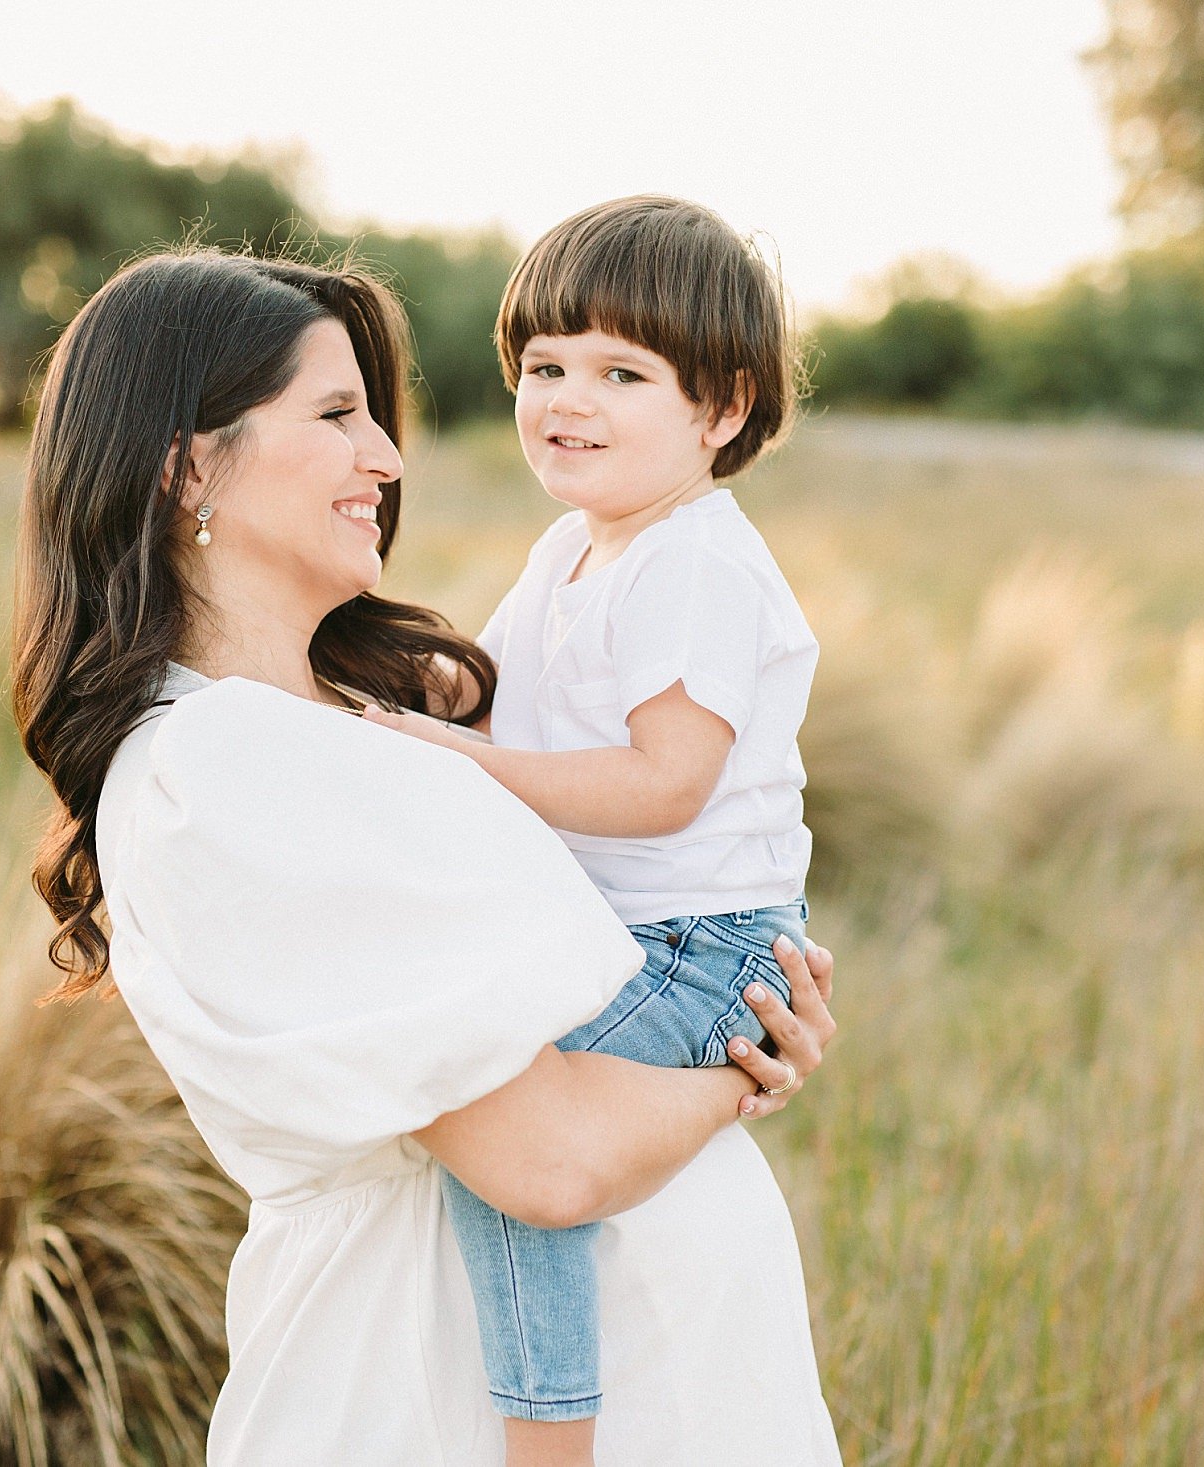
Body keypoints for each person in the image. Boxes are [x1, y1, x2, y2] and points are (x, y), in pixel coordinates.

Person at [10, 247, 842, 1466]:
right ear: (189, 462)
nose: (388, 460)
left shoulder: (340, 722)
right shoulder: (229, 765)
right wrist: (750, 1071)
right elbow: (548, 1162)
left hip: (674, 1390)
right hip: (431, 1400)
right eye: (338, 415)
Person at [364, 195, 818, 1465]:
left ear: (721, 410)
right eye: (546, 366)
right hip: (625, 929)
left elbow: (662, 785)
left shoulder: (693, 564)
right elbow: (503, 695)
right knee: (500, 1088)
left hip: (702, 943)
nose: (569, 398)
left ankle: (546, 1432)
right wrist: (401, 700)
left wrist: (460, 760)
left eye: (623, 372)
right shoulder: (573, 545)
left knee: (517, 1124)